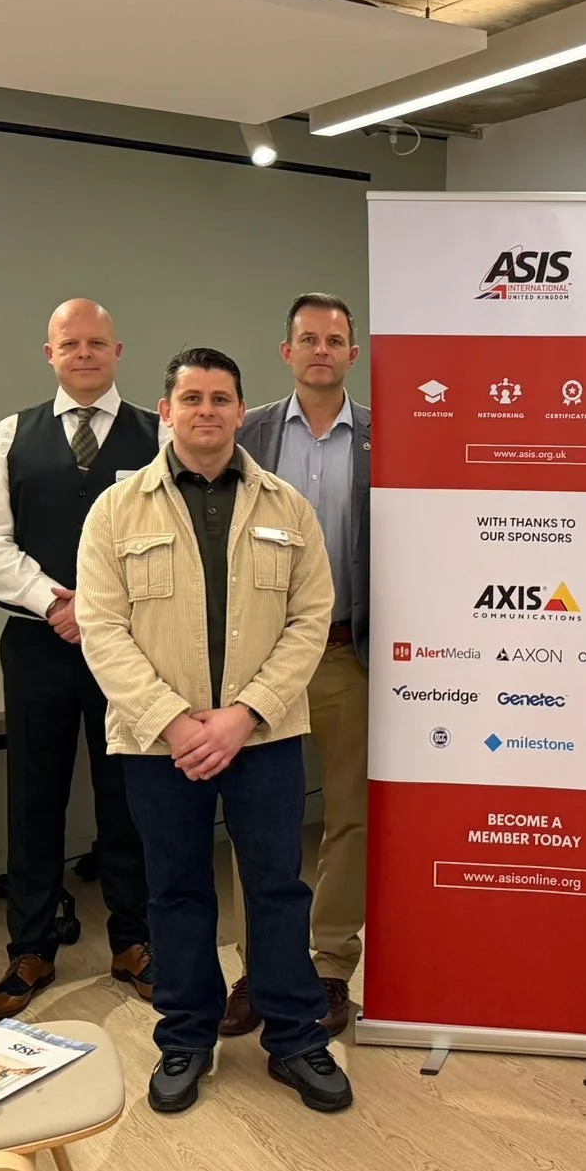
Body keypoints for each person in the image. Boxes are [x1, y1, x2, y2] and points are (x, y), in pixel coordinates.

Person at [76, 346, 349, 1116]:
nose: (206, 411)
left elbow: (309, 620)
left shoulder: (286, 508)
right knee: (176, 891)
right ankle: (186, 1037)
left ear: (239, 411)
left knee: (278, 887)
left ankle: (294, 1036)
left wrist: (244, 714)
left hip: (263, 736)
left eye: (220, 399)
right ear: (167, 411)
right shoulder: (116, 511)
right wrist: (173, 721)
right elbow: (102, 627)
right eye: (191, 398)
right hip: (158, 742)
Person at [0, 299, 155, 1022]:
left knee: (128, 794)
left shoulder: (158, 434)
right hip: (37, 643)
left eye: (97, 343)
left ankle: (134, 941)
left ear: (118, 351)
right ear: (50, 354)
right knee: (34, 795)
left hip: (130, 646)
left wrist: (98, 608)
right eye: (70, 344)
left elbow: (167, 537)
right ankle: (31, 948)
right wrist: (54, 602)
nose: (84, 354)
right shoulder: (11, 435)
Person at [228, 292, 372, 1037]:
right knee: (261, 820)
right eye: (308, 339)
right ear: (286, 352)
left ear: (353, 354)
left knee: (351, 815)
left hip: (348, 655)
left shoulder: (387, 438)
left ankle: (331, 963)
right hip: (262, 661)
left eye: (334, 340)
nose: (321, 350)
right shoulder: (246, 433)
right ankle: (260, 967)